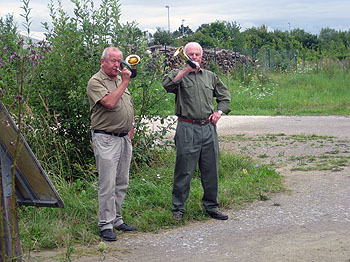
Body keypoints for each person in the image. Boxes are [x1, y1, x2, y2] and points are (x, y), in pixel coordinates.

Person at [162, 42, 231, 221]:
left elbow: (225, 97)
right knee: (184, 170)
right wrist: (185, 70)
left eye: (197, 55)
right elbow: (166, 85)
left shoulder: (210, 76)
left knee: (211, 169)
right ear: (184, 56)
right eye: (190, 54)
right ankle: (178, 208)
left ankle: (212, 206)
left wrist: (219, 112)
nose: (194, 57)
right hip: (187, 127)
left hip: (208, 128)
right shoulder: (178, 75)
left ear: (202, 56)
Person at [87, 46, 137, 242]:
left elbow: (128, 105)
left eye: (119, 61)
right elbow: (109, 103)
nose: (118, 65)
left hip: (123, 138)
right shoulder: (96, 81)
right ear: (103, 61)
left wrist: (131, 128)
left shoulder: (119, 80)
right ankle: (105, 225)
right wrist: (125, 82)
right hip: (106, 138)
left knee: (121, 181)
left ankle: (117, 219)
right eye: (113, 61)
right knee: (107, 183)